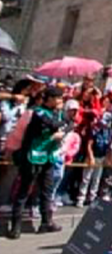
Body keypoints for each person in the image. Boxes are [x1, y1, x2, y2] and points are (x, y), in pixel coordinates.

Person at [8, 86, 66, 238]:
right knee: (24, 191)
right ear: (51, 99)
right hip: (32, 157)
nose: (61, 101)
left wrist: (64, 123)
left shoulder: (57, 113)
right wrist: (62, 125)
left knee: (46, 191)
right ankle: (15, 227)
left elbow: (68, 124)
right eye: (58, 98)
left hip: (47, 157)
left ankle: (46, 222)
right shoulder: (38, 111)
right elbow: (52, 124)